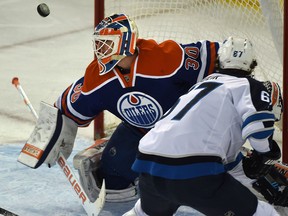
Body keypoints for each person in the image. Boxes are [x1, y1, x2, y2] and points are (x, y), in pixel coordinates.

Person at [55, 13, 220, 202]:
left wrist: (234, 58)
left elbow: (215, 57)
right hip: (140, 131)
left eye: (107, 42)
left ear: (125, 42)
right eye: (98, 43)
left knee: (209, 181)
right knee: (112, 177)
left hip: (186, 131)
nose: (100, 49)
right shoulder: (97, 76)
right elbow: (66, 109)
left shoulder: (165, 57)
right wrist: (53, 132)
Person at [123, 37, 281, 215]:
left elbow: (223, 157)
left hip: (149, 166)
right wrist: (267, 154)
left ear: (219, 61)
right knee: (264, 213)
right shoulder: (251, 86)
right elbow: (259, 133)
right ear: (252, 65)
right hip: (193, 172)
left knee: (142, 213)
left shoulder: (198, 87)